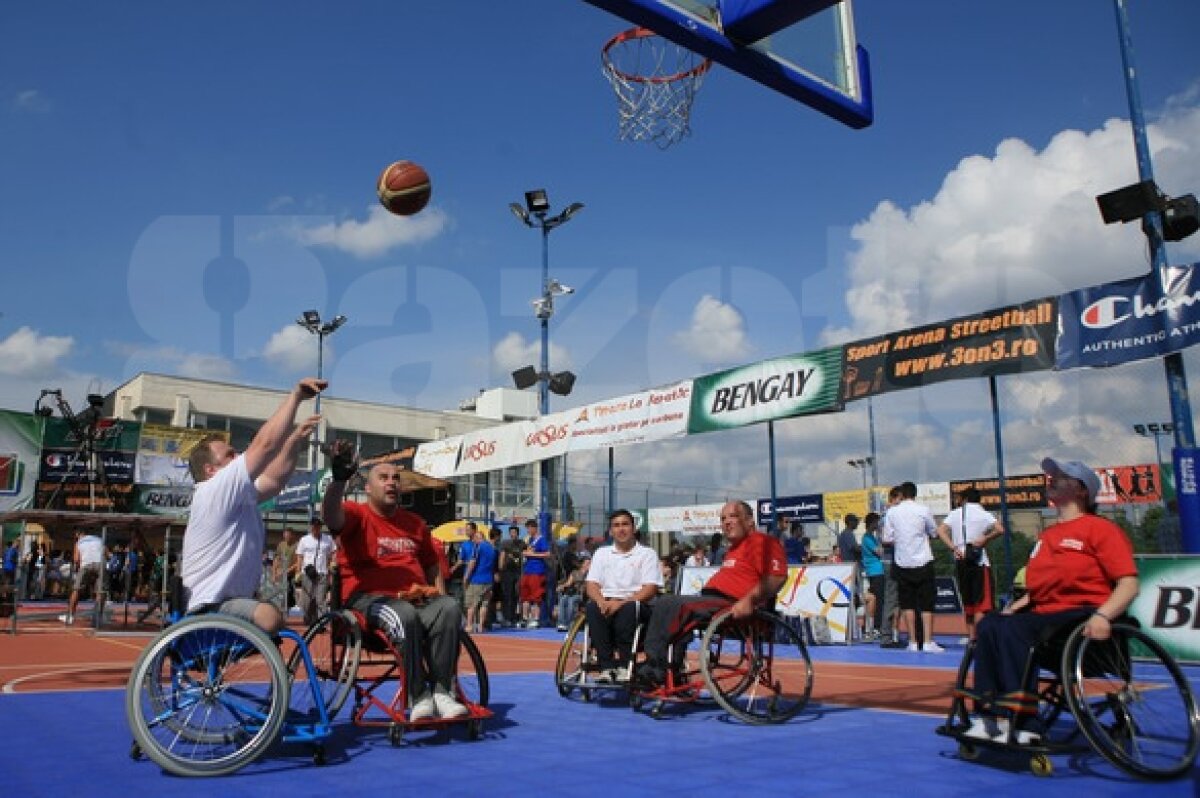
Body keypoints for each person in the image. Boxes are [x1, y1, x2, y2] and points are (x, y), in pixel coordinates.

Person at [963, 458, 1138, 743]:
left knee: (1014, 630)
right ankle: (988, 716)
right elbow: (1038, 588)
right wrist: (1014, 607)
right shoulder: (1048, 536)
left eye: (1061, 476)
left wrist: (1104, 616)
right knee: (990, 624)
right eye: (1051, 476)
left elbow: (1129, 584)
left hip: (1082, 614)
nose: (1052, 480)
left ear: (1082, 491)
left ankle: (1026, 720)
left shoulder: (1100, 529)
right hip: (1046, 617)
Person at [321, 441, 467, 721]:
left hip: (415, 597)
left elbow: (431, 564)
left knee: (449, 608)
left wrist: (439, 595)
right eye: (383, 478)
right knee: (404, 614)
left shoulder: (415, 523)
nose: (391, 483)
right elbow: (331, 515)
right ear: (368, 488)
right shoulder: (357, 513)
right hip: (367, 600)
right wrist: (339, 481)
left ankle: (442, 692)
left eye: (396, 478)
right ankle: (418, 695)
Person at [180, 377, 325, 634]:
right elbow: (265, 446)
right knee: (269, 617)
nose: (237, 458)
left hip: (232, 600)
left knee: (271, 617)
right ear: (210, 470)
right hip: (210, 604)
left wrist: (292, 444)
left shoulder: (237, 496)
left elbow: (274, 479)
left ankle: (279, 674)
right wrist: (296, 397)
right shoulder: (213, 490)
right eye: (229, 455)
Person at [636, 501, 787, 687]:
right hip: (714, 601)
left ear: (749, 521)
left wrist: (749, 600)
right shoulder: (733, 549)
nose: (727, 522)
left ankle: (655, 667)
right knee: (663, 604)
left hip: (731, 604)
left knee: (670, 603)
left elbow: (777, 577)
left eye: (733, 516)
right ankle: (667, 666)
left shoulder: (763, 542)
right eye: (723, 518)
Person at [583, 510, 661, 681]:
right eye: (616, 525)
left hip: (637, 605)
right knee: (592, 607)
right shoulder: (601, 553)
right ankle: (606, 668)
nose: (621, 529)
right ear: (611, 531)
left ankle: (625, 666)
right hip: (607, 603)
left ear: (633, 528)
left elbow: (650, 588)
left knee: (629, 609)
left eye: (625, 524)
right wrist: (601, 601)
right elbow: (591, 584)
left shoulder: (647, 554)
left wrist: (621, 603)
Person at [936, 487, 1004, 643]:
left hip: (960, 558)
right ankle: (981, 638)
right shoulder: (983, 513)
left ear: (965, 499)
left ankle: (971, 637)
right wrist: (985, 538)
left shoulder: (955, 513)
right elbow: (1000, 529)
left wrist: (953, 547)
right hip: (978, 559)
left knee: (968, 601)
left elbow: (940, 530)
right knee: (982, 602)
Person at [882, 481, 942, 653]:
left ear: (902, 494)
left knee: (907, 604)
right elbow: (934, 532)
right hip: (923, 561)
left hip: (902, 562)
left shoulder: (892, 512)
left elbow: (887, 538)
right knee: (926, 604)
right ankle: (928, 641)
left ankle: (913, 642)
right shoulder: (923, 510)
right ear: (915, 494)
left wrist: (901, 539)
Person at [295, 517, 337, 626]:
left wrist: (333, 563)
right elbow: (300, 556)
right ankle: (308, 619)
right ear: (311, 527)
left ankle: (321, 623)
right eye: (313, 526)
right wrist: (298, 572)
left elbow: (334, 552)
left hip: (322, 573)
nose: (315, 528)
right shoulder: (304, 540)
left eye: (318, 526)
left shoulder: (328, 539)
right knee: (308, 600)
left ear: (320, 527)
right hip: (307, 573)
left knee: (320, 600)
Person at [61, 530, 108, 625]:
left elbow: (76, 559)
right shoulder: (99, 539)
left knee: (76, 590)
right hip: (100, 563)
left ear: (79, 535)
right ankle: (98, 617)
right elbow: (106, 553)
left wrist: (78, 569)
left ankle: (70, 616)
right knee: (101, 591)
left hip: (86, 564)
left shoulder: (79, 542)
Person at [461, 522, 498, 634]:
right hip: (488, 579)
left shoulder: (478, 547)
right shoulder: (492, 548)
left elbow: (472, 562)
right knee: (484, 604)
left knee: (471, 604)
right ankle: (481, 626)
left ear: (478, 537)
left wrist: (466, 577)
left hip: (477, 579)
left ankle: (469, 625)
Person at [519, 518, 550, 628]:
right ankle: (525, 618)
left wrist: (532, 555)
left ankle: (536, 619)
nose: (527, 531)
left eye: (528, 528)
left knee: (536, 596)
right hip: (527, 570)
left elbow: (547, 554)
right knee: (525, 595)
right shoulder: (530, 540)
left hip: (537, 571)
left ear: (534, 528)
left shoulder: (541, 540)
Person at [860, 512, 885, 640]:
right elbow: (880, 552)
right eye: (876, 522)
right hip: (875, 572)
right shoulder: (867, 538)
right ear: (871, 523)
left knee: (877, 600)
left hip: (878, 571)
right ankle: (875, 628)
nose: (878, 525)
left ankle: (872, 627)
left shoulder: (871, 537)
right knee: (877, 600)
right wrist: (881, 537)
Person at [498, 525, 525, 627]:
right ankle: (507, 617)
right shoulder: (505, 543)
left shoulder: (522, 543)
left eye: (515, 532)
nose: (513, 534)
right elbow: (502, 556)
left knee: (516, 594)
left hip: (517, 571)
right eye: (511, 532)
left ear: (518, 533)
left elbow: (526, 553)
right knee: (507, 594)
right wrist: (500, 569)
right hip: (507, 572)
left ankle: (513, 617)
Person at [272, 527, 300, 612]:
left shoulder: (297, 545)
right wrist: (274, 573)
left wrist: (287, 571)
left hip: (291, 574)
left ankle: (287, 610)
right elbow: (276, 559)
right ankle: (280, 610)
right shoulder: (281, 545)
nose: (286, 536)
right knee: (280, 594)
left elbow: (298, 562)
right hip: (281, 574)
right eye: (285, 535)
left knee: (289, 593)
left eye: (288, 535)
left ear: (292, 535)